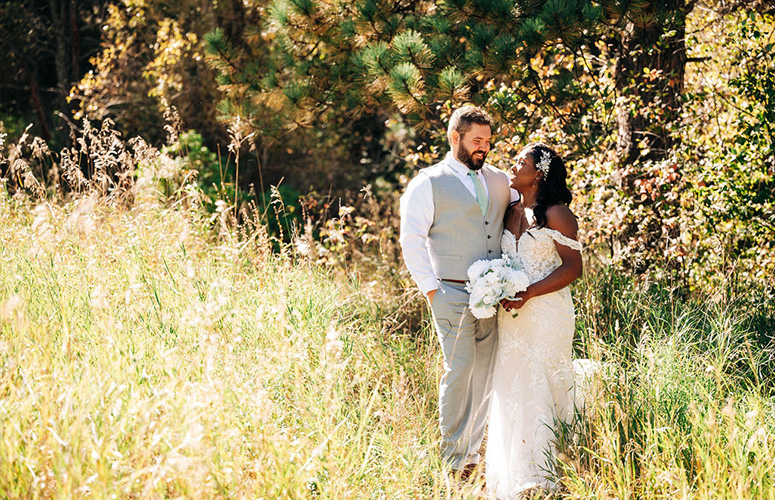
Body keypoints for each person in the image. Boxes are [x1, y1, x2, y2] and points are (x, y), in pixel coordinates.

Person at [399, 106, 511, 479]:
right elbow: (411, 240)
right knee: (459, 371)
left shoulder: (500, 180)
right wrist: (432, 291)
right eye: (476, 141)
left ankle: (472, 456)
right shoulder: (428, 182)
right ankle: (452, 460)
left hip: (494, 297)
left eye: (487, 142)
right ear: (454, 137)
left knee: (485, 374)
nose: (483, 148)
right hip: (450, 291)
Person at [485, 142, 583, 498]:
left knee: (542, 382)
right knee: (512, 385)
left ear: (538, 173)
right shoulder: (510, 211)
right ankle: (515, 474)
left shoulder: (557, 214)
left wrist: (530, 293)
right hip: (511, 317)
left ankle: (547, 473)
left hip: (546, 313)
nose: (513, 166)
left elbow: (574, 269)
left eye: (520, 162)